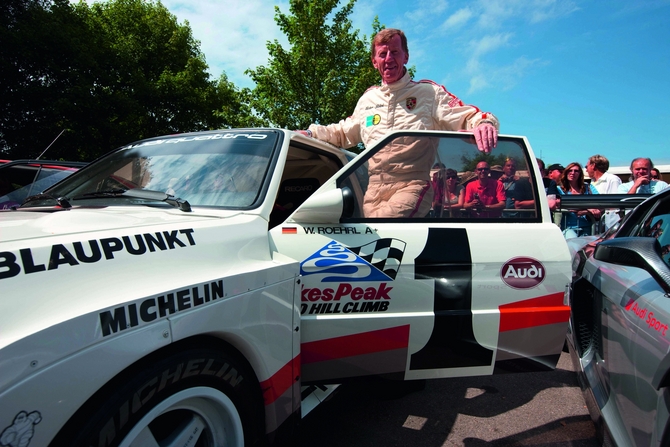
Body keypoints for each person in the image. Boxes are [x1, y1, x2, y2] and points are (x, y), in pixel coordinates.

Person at [297, 28, 499, 218]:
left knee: (380, 228)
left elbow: (467, 116)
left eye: (395, 52)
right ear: (374, 61)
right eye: (382, 54)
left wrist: (483, 124)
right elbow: (342, 132)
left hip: (412, 184)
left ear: (406, 57)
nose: (389, 59)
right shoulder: (368, 99)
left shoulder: (428, 93)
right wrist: (311, 134)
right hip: (373, 188)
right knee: (367, 241)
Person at [556, 162, 601, 238]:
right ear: (566, 172)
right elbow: (559, 204)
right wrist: (588, 208)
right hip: (568, 227)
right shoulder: (559, 189)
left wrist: (586, 211)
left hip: (588, 226)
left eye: (576, 171)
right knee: (573, 246)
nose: (572, 173)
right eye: (570, 170)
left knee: (587, 249)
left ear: (580, 173)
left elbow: (601, 202)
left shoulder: (588, 187)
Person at [586, 154, 622, 230]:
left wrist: (598, 210)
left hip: (610, 225)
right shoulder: (591, 183)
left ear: (593, 165)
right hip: (595, 226)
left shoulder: (613, 179)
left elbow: (615, 201)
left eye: (587, 167)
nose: (586, 170)